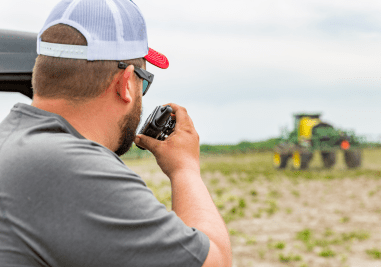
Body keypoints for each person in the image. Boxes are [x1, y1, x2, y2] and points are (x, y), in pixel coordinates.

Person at [0, 0, 232, 266]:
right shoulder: (75, 169)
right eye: (144, 81)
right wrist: (185, 169)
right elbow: (215, 261)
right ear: (126, 84)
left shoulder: (13, 144)